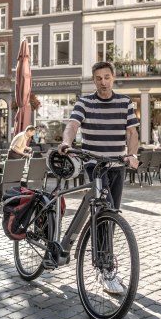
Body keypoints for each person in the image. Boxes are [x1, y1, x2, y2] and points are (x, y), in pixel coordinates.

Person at [58, 61, 138, 294]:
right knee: (103, 212)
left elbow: (132, 133)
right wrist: (66, 142)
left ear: (114, 78)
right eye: (98, 78)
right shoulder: (85, 102)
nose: (103, 82)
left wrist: (132, 154)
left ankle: (103, 260)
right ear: (93, 80)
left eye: (107, 77)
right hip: (95, 166)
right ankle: (105, 269)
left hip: (117, 165)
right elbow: (72, 125)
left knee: (110, 215)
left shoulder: (125, 102)